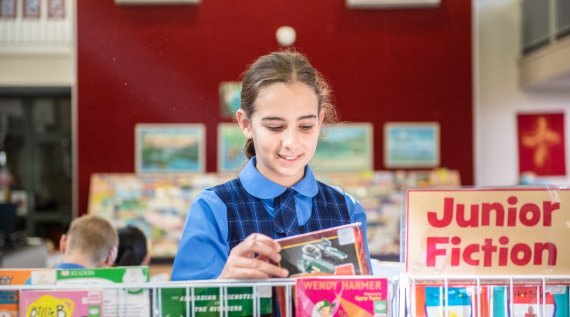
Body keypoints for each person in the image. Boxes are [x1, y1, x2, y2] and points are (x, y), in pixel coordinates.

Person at [171, 50, 371, 281]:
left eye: (306, 126)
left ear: (320, 122)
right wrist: (221, 284)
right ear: (245, 124)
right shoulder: (213, 209)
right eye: (275, 127)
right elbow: (180, 306)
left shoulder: (348, 210)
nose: (291, 142)